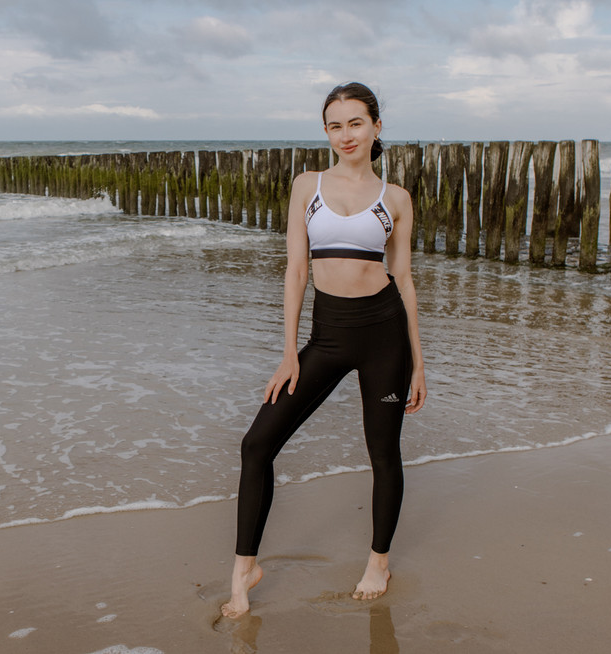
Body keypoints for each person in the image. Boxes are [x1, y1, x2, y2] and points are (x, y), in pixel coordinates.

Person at [220, 82, 427, 619]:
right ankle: (245, 566)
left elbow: (403, 279)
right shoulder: (306, 185)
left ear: (376, 127)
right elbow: (295, 269)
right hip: (327, 334)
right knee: (257, 443)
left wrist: (419, 361)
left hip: (385, 335)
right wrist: (289, 352)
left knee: (383, 454)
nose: (345, 135)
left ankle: (378, 561)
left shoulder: (396, 199)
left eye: (355, 123)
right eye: (334, 125)